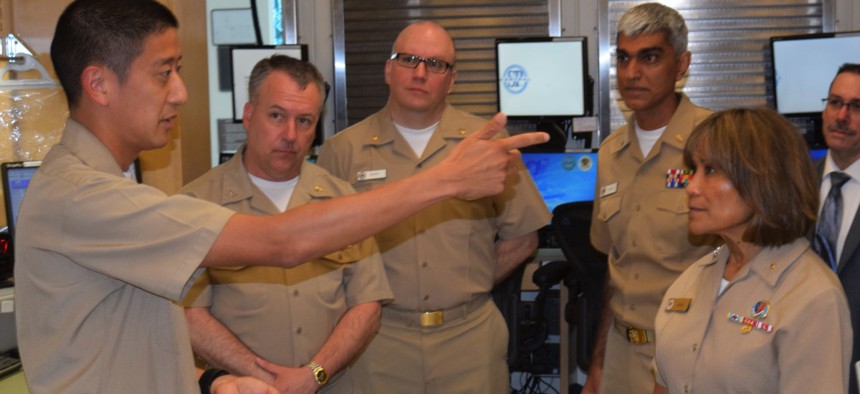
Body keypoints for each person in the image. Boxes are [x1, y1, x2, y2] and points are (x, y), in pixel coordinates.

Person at [13, 1, 547, 393]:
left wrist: (210, 382)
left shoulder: (107, 187)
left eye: (178, 71)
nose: (181, 92)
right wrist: (444, 181)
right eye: (164, 72)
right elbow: (283, 241)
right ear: (100, 85)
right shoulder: (83, 196)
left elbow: (137, 337)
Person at [316, 20, 551, 393]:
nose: (421, 73)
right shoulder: (342, 152)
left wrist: (467, 284)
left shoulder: (486, 146)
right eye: (409, 59)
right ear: (388, 70)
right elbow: (320, 252)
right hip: (376, 343)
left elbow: (523, 238)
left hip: (469, 338)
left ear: (452, 79)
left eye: (436, 64)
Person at [180, 54, 393, 393]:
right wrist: (268, 381)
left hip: (332, 385)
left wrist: (313, 375)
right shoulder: (198, 206)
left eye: (305, 121)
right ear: (249, 116)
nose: (290, 135)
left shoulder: (343, 202)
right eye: (277, 116)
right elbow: (190, 315)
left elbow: (367, 305)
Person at [652, 107, 852, 393]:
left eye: (710, 170)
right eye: (692, 170)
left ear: (763, 181)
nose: (691, 187)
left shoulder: (813, 297)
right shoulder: (690, 281)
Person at [586, 3, 717, 393]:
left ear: (681, 65)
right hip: (622, 355)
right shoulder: (610, 153)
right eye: (623, 58)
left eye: (650, 57)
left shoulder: (716, 143)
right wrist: (598, 363)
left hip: (691, 355)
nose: (631, 73)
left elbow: (742, 263)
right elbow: (616, 268)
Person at [814, 63, 860, 394]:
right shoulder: (791, 184)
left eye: (857, 107)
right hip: (793, 361)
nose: (842, 116)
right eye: (834, 102)